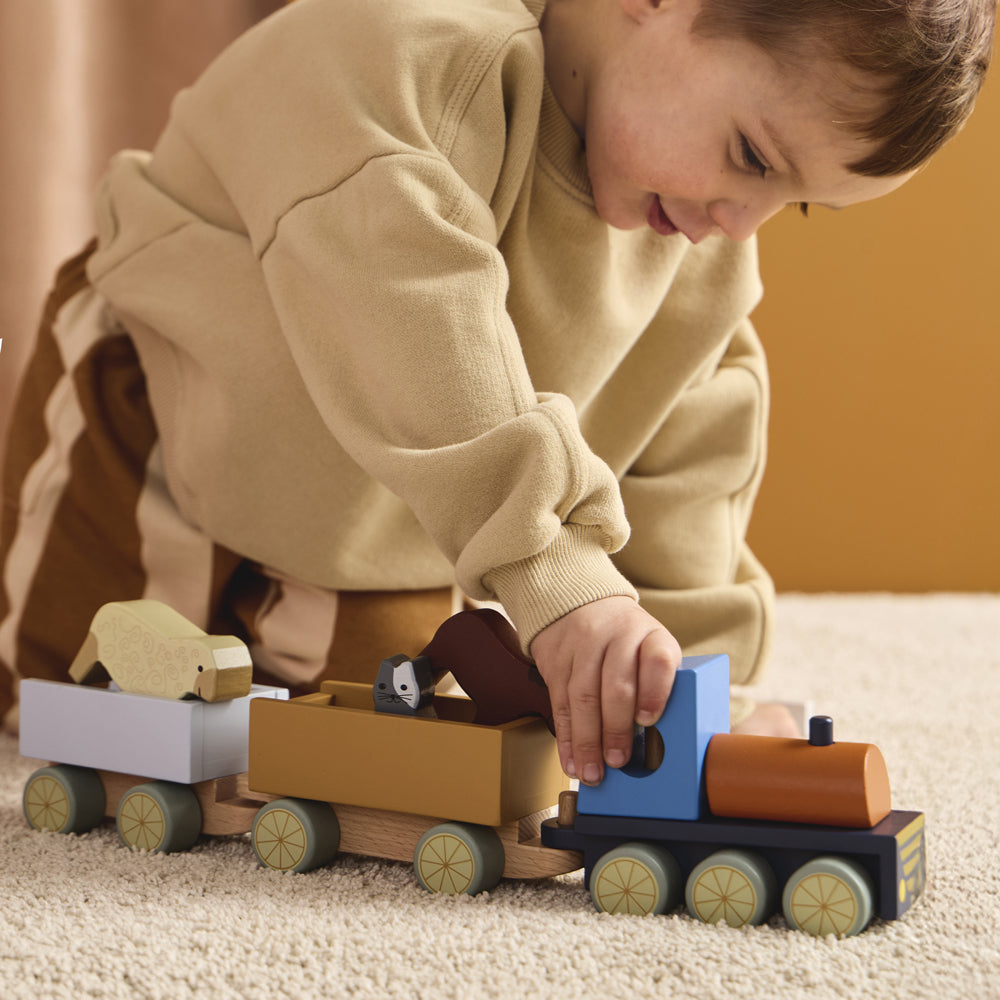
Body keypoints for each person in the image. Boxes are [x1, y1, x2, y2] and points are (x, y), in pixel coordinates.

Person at [0, 0, 993, 787]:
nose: (742, 222)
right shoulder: (402, 55)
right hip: (165, 419)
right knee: (68, 705)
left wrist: (698, 687)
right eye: (750, 156)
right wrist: (553, 572)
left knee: (407, 745)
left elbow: (687, 468)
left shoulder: (697, 251)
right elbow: (413, 321)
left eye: (796, 199)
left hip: (372, 511)